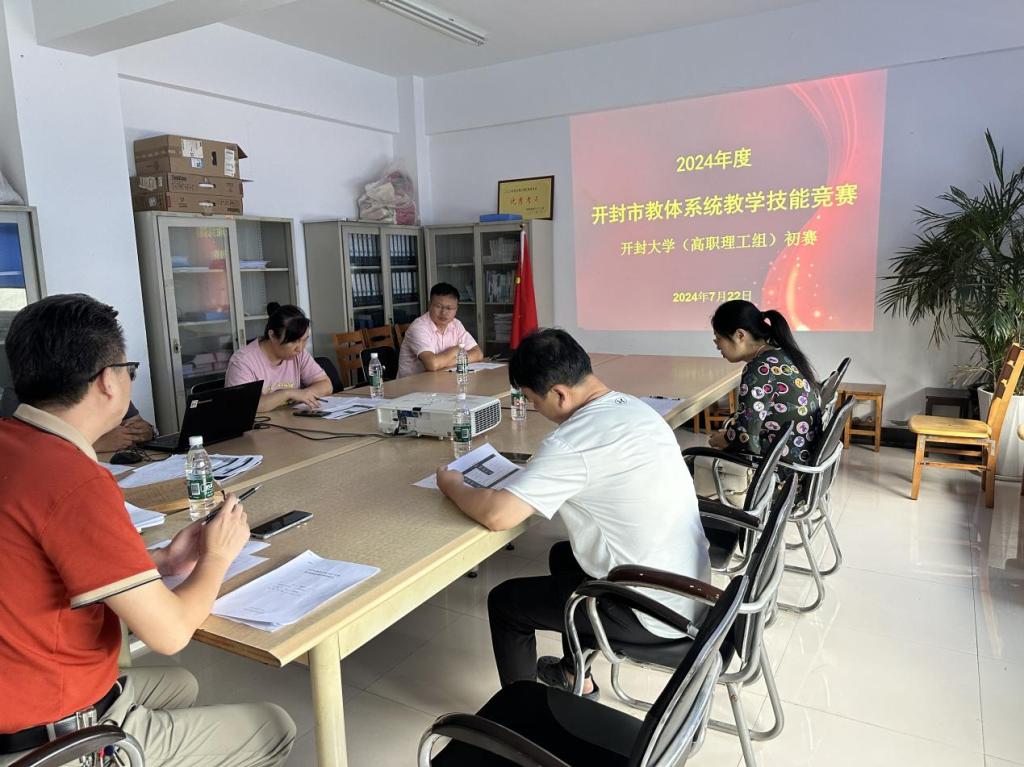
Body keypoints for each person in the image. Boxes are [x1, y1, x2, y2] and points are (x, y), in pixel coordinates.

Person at [0, 294, 295, 767]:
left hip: (17, 687)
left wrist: (161, 562)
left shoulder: (14, 445)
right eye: (128, 369)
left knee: (183, 684)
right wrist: (218, 556)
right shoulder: (75, 481)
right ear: (107, 381)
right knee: (274, 727)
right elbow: (171, 634)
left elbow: (40, 569)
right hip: (50, 735)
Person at [436, 328, 710, 697]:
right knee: (563, 557)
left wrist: (453, 485)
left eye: (532, 399)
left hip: (649, 611)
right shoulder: (633, 407)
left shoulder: (572, 441)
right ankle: (574, 673)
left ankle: (524, 715)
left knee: (505, 602)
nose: (534, 408)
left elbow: (498, 516)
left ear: (559, 394)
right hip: (690, 590)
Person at [710, 299, 822, 463]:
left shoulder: (759, 369)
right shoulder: (781, 354)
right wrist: (730, 435)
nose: (717, 345)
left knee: (694, 458)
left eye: (718, 338)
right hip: (800, 455)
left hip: (781, 465)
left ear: (740, 335)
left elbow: (746, 439)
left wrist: (725, 439)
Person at [225, 302, 331, 412]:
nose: (300, 348)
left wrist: (304, 394)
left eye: (304, 340)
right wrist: (288, 393)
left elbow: (326, 384)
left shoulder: (299, 354)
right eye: (293, 341)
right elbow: (242, 404)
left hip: (289, 419)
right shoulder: (243, 361)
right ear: (272, 335)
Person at [2, 384, 155, 451]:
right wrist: (96, 444)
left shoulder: (104, 383)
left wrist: (146, 431)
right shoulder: (17, 393)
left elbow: (135, 421)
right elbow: (26, 451)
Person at [397, 282, 483, 377]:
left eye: (449, 308)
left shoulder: (456, 324)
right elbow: (432, 364)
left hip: (442, 379)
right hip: (413, 384)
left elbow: (478, 354)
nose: (444, 313)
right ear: (429, 305)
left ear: (456, 309)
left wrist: (443, 363)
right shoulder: (419, 327)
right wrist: (456, 350)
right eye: (438, 306)